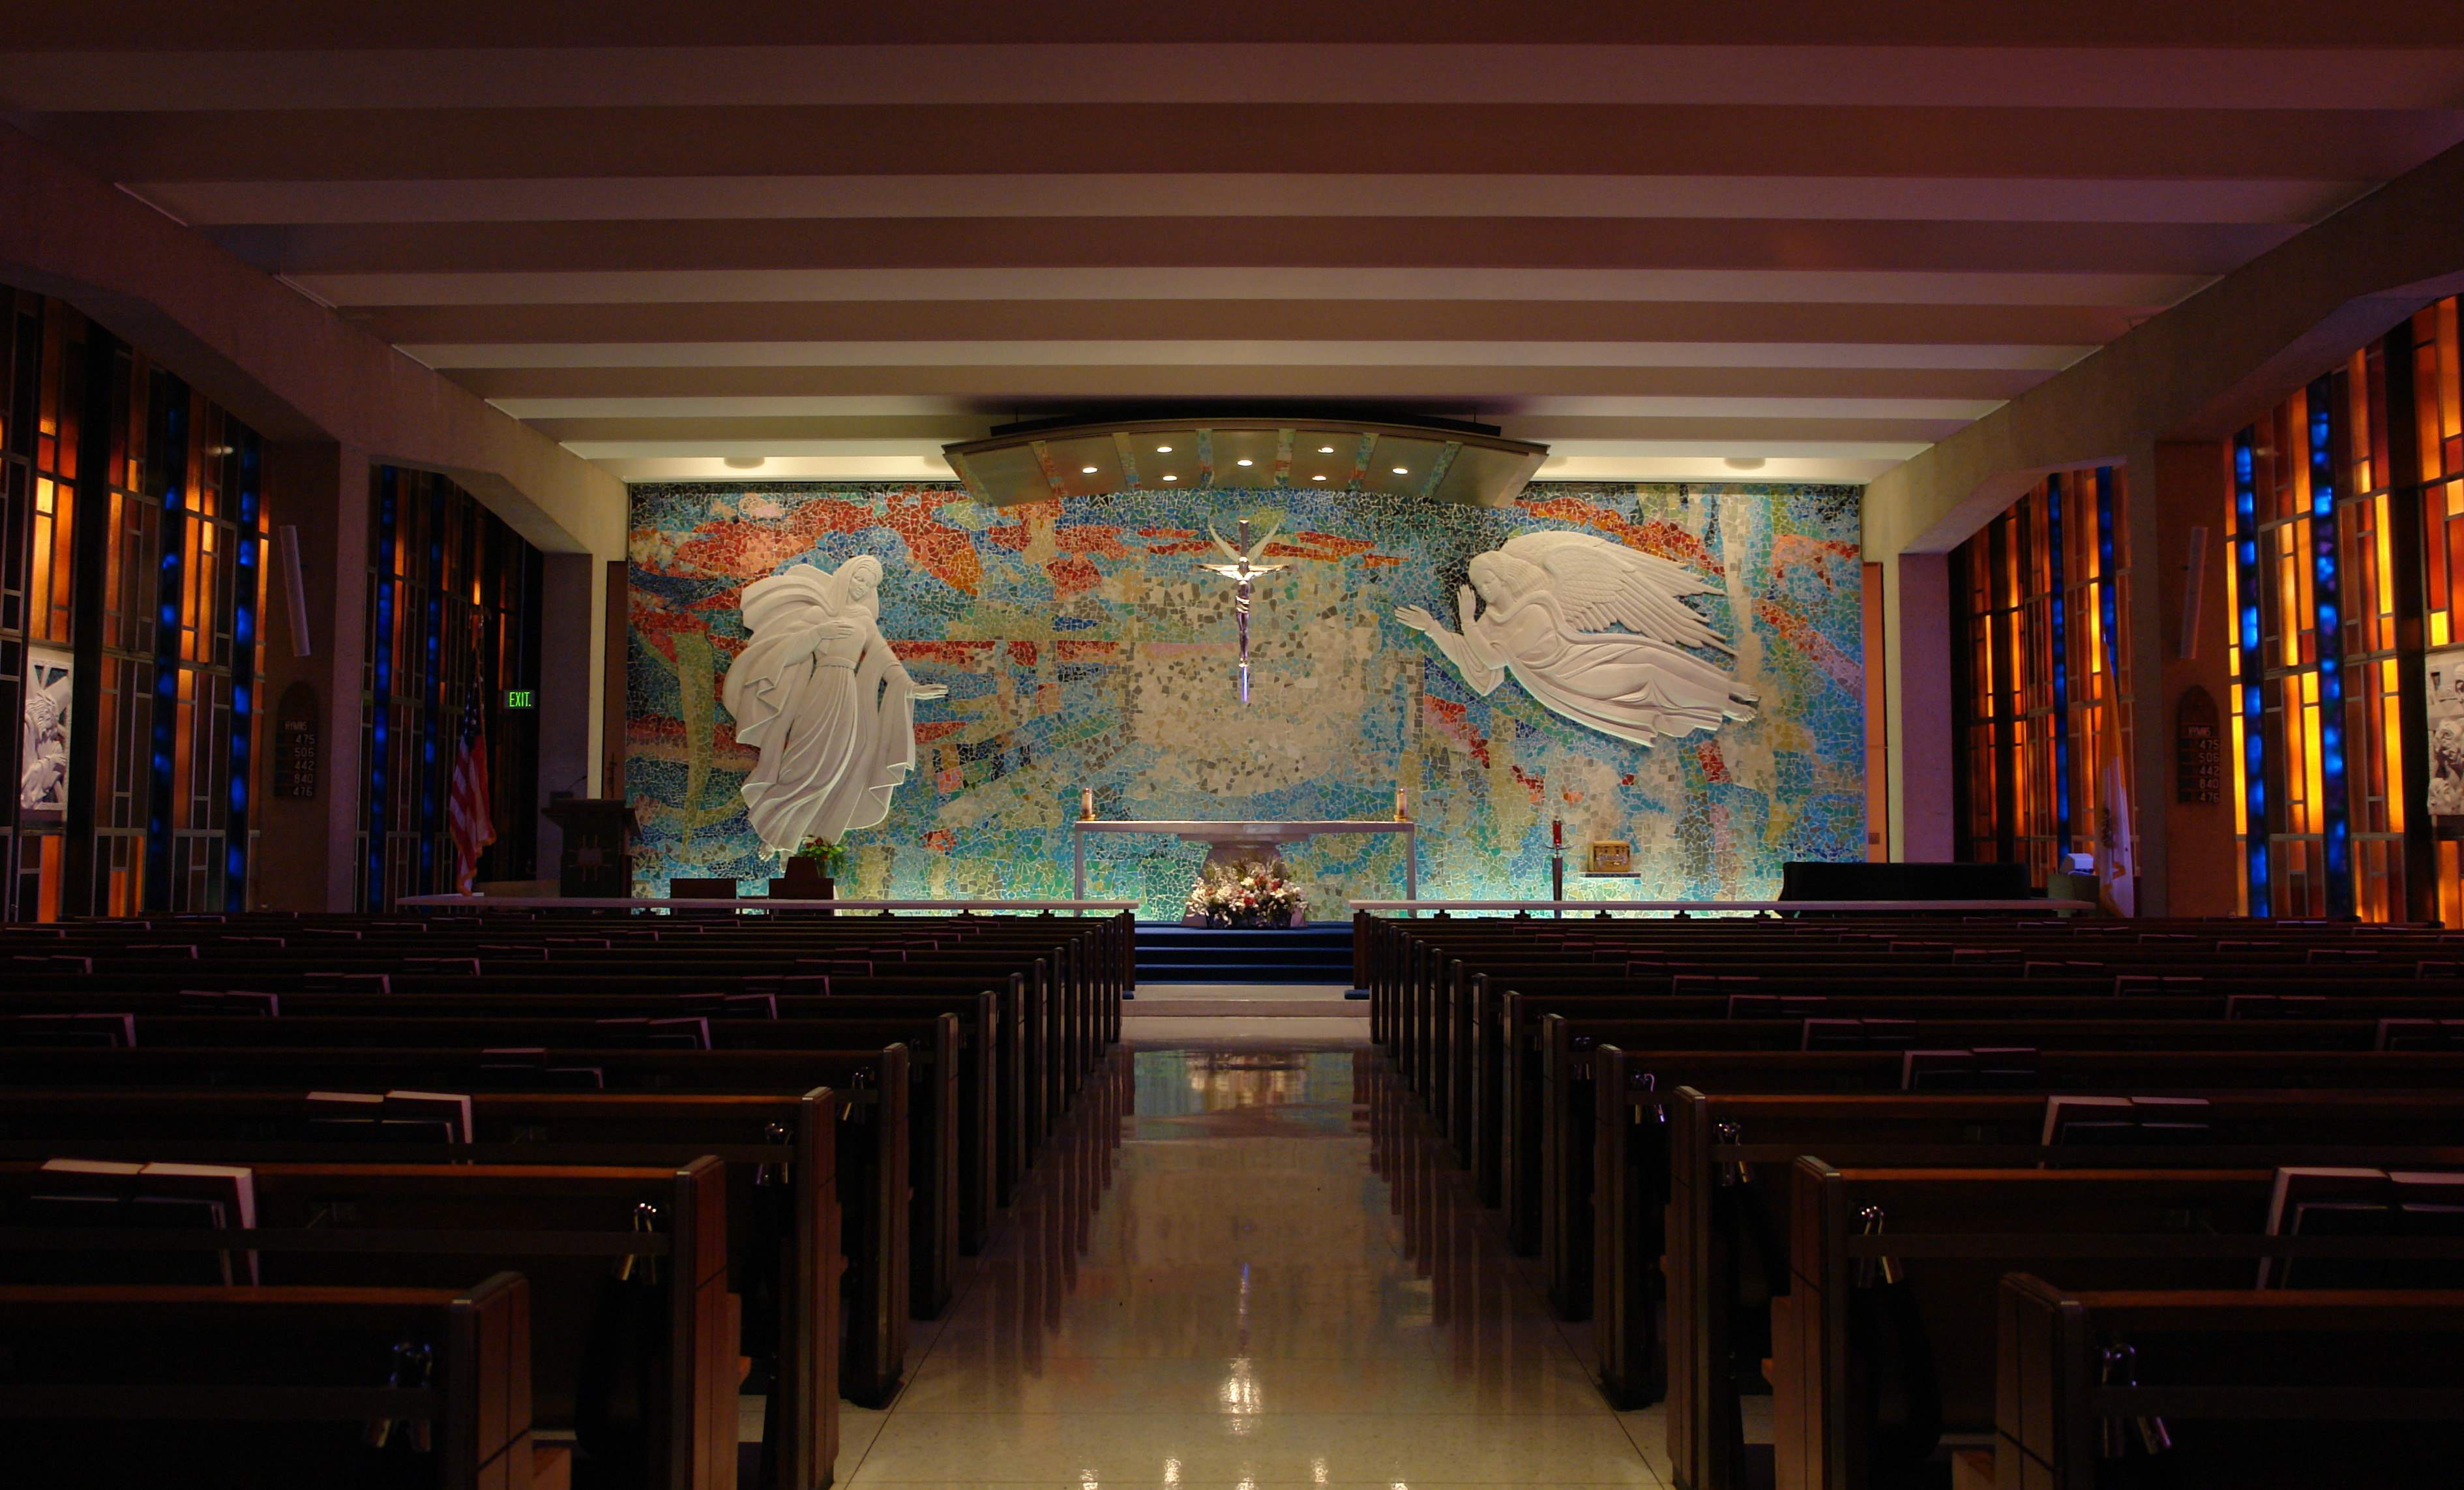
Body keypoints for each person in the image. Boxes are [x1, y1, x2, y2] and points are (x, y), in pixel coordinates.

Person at [724, 556, 947, 852]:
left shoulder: (865, 620)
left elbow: (884, 658)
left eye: (867, 584)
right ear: (845, 576)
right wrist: (817, 633)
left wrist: (911, 687)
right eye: (859, 579)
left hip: (849, 696)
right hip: (819, 689)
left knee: (838, 763)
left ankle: (806, 836)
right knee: (803, 760)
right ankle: (774, 828)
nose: (861, 587)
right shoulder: (819, 614)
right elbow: (785, 649)